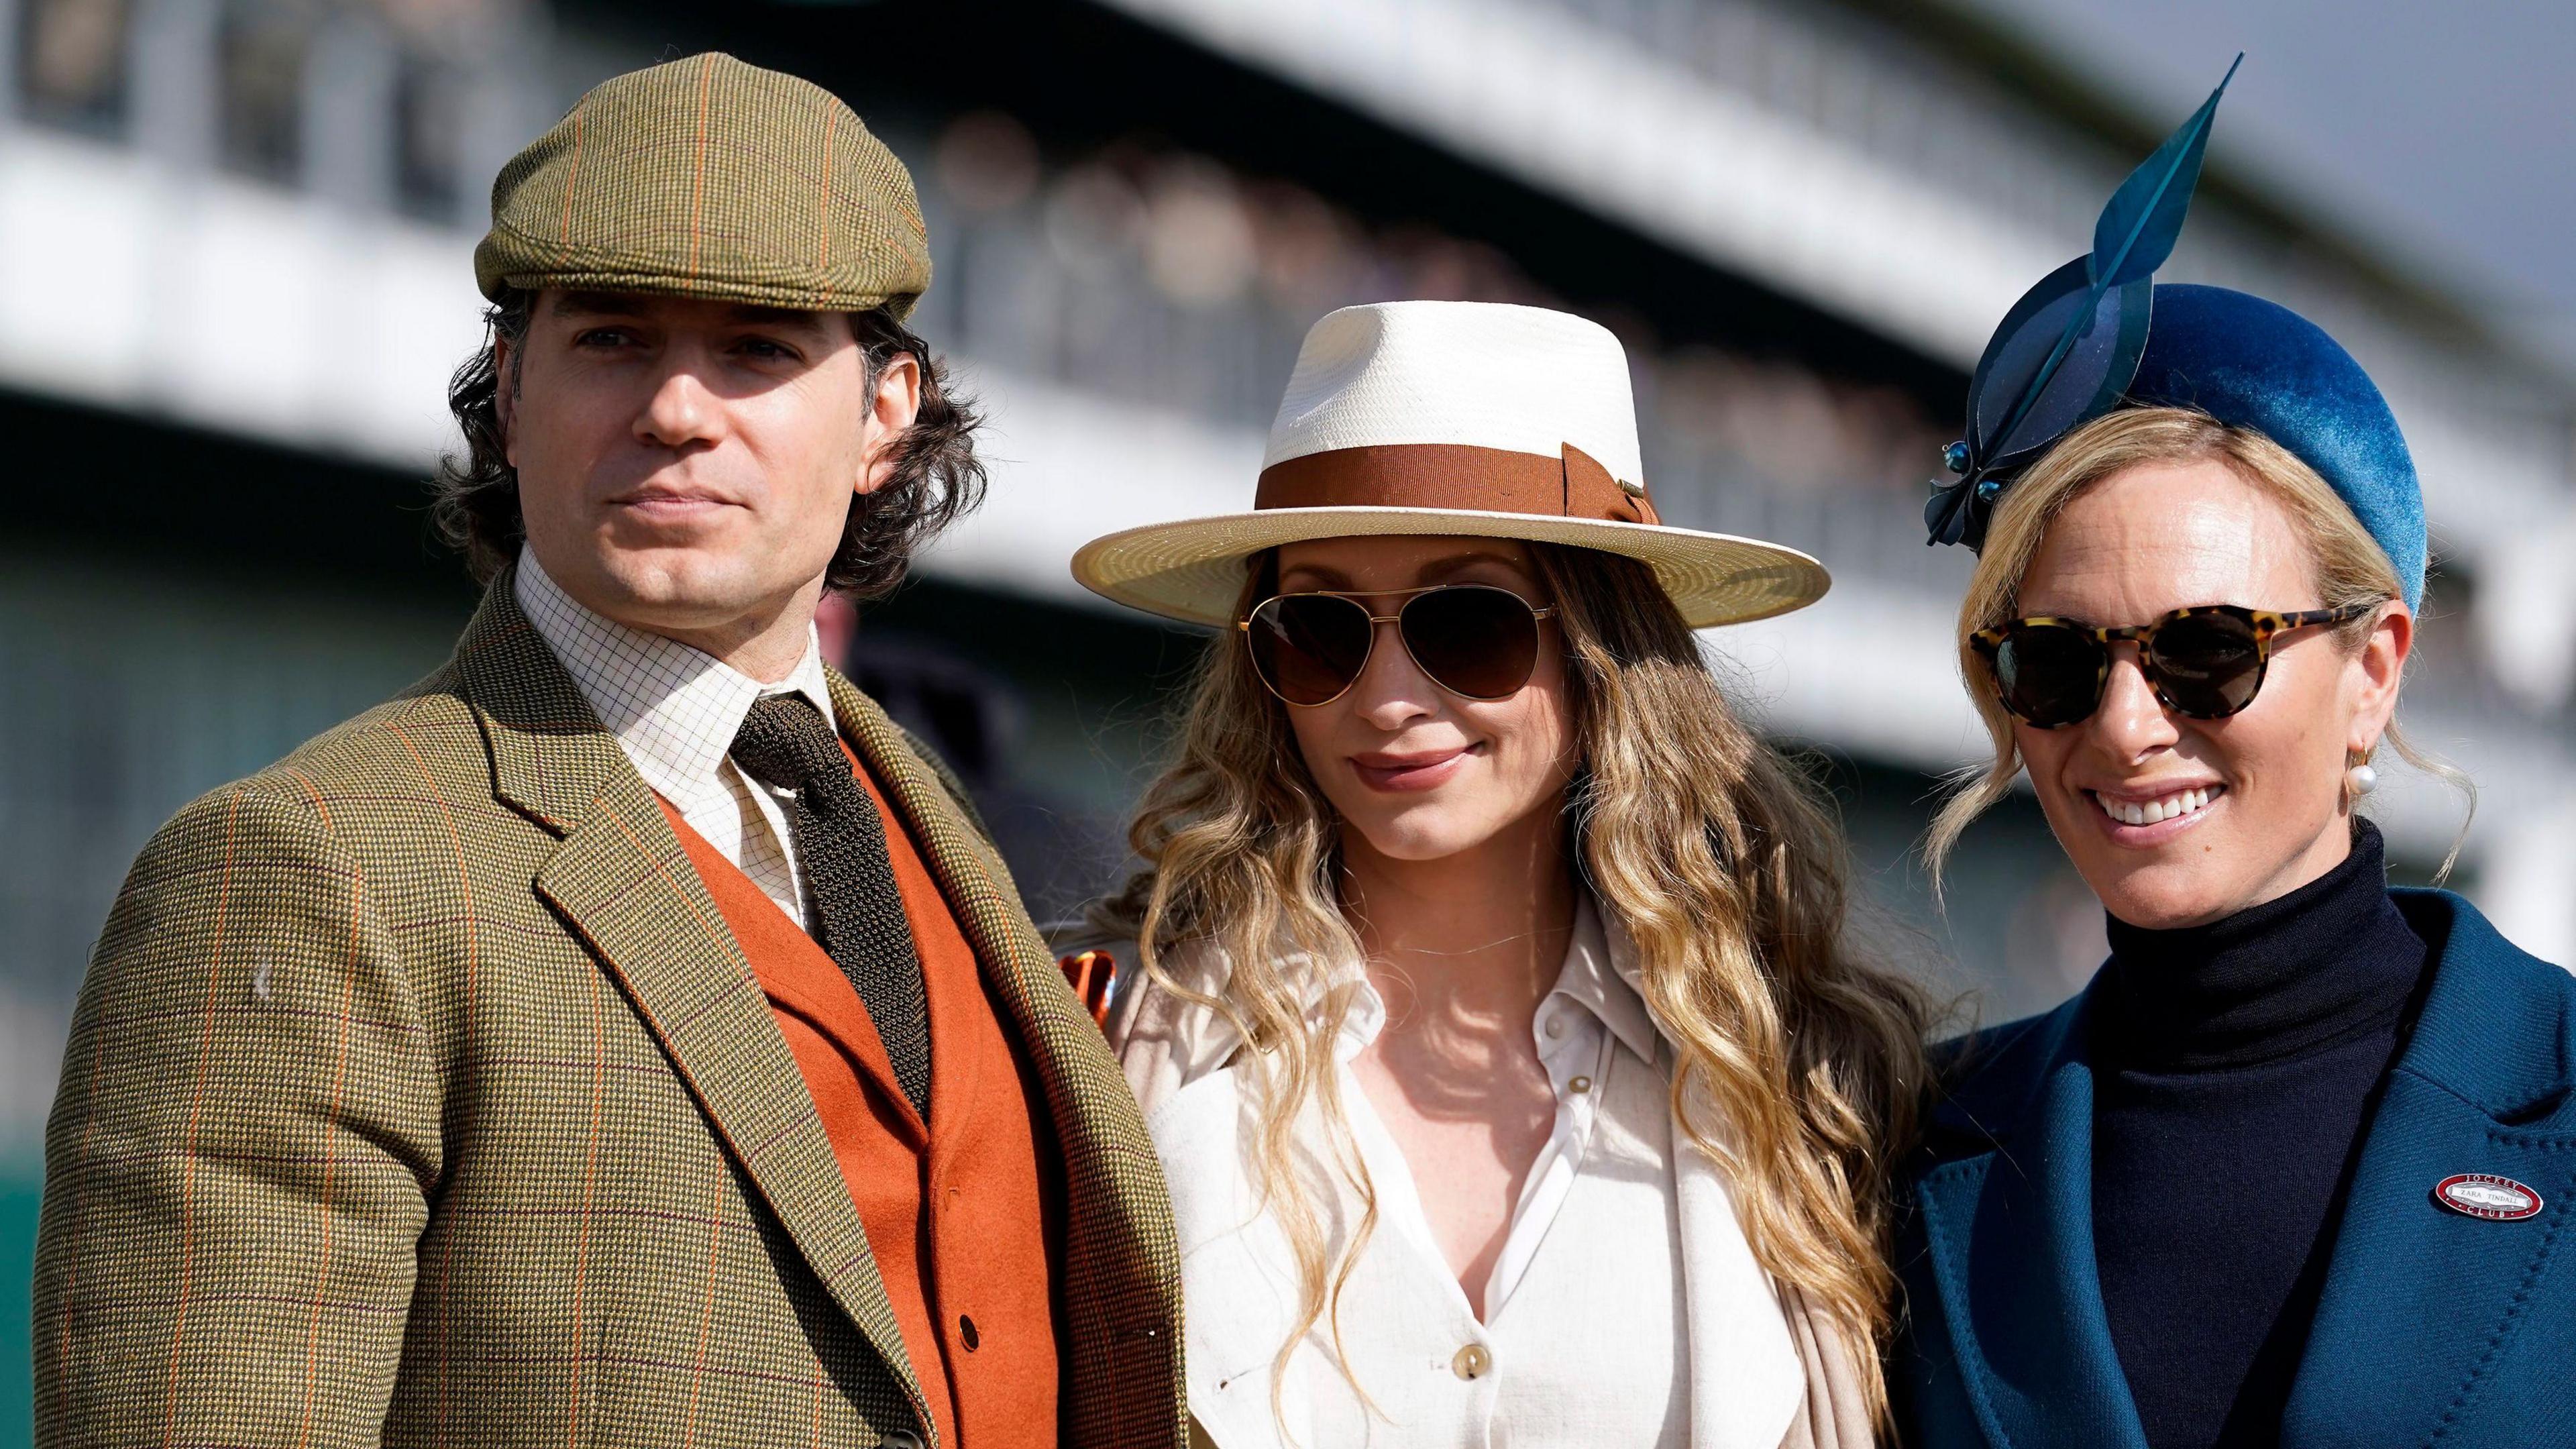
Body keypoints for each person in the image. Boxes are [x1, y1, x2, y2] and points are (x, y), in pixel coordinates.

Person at [32, 54, 1181, 1449]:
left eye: (758, 347)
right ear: (512, 391)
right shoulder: (303, 867)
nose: (678, 410)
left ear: (887, 414)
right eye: (615, 341)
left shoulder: (934, 826)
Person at [1058, 300, 1940, 1448]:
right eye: (1318, 628)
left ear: (1600, 649)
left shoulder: (1818, 1078)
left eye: (1465, 622)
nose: (1384, 699)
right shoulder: (1106, 1047)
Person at [1894, 98, 2576, 1449]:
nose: (2128, 726)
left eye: (2208, 652)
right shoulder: (1904, 1151)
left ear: (2374, 670)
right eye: (2059, 660)